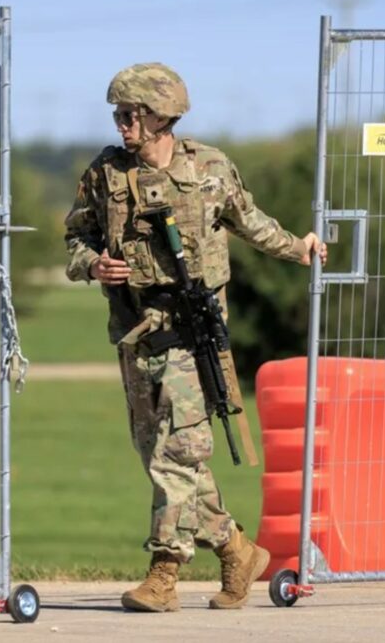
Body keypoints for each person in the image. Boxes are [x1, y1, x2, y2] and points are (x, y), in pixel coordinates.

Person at [63, 63, 327, 612]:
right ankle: (236, 549)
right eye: (116, 114)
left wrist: (298, 248)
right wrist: (94, 266)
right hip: (136, 332)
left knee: (179, 452)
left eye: (130, 114)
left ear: (162, 115)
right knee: (156, 452)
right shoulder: (105, 174)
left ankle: (163, 572)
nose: (121, 123)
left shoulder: (210, 168)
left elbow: (249, 221)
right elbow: (75, 239)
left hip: (192, 332)